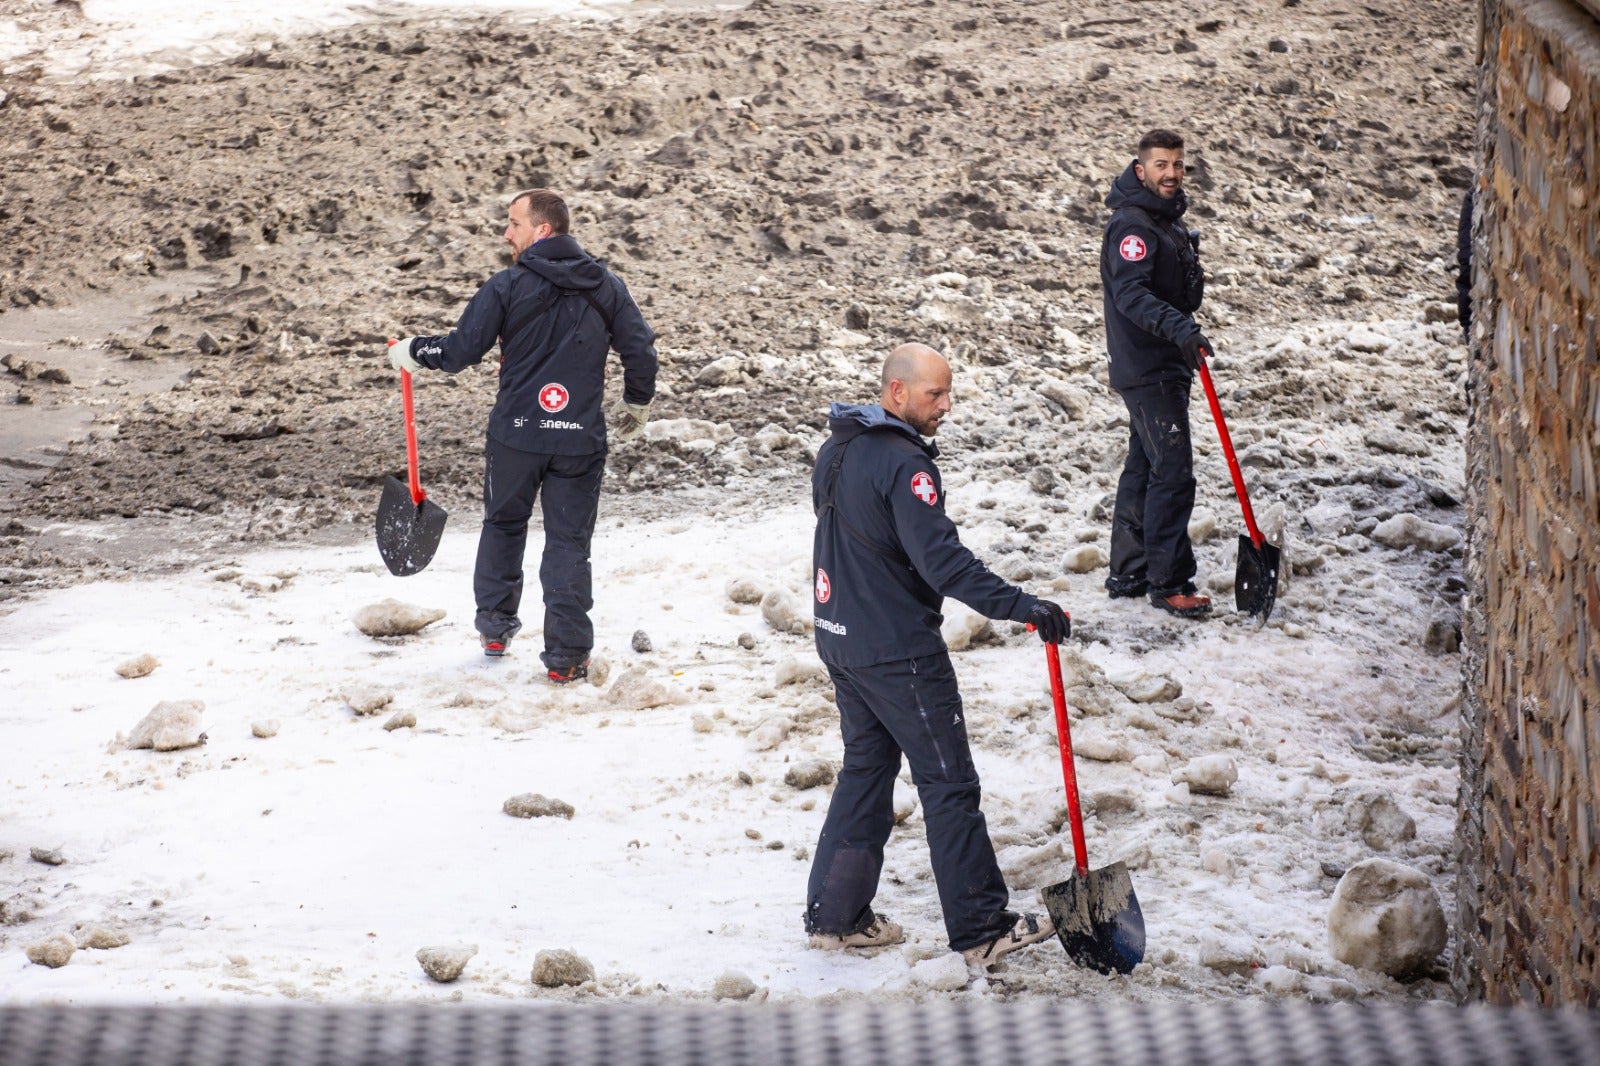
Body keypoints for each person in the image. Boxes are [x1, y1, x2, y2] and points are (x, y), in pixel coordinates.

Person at [805, 343, 1071, 971]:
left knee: (867, 770)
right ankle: (981, 927)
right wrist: (1022, 605)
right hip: (898, 650)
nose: (946, 406)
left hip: (840, 634)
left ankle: (836, 919)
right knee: (949, 781)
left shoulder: (838, 447)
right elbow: (942, 561)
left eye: (949, 394)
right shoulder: (904, 465)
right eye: (934, 395)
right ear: (896, 392)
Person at [388, 188, 657, 682]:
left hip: (515, 436)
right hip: (578, 439)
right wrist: (637, 402)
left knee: (503, 525)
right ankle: (567, 658)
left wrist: (413, 351)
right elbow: (640, 349)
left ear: (542, 230)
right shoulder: (606, 287)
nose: (506, 233)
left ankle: (494, 628)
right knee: (569, 544)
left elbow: (460, 351)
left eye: (514, 224)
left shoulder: (507, 286)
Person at [1100, 128, 1214, 620]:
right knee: (1172, 472)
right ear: (1140, 169)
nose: (1171, 174)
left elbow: (1174, 293)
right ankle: (1169, 582)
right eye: (1161, 166)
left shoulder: (1161, 222)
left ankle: (1129, 570)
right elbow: (1132, 296)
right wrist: (1181, 329)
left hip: (1158, 364)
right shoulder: (1133, 228)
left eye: (1178, 165)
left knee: (1145, 467)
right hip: (1149, 369)